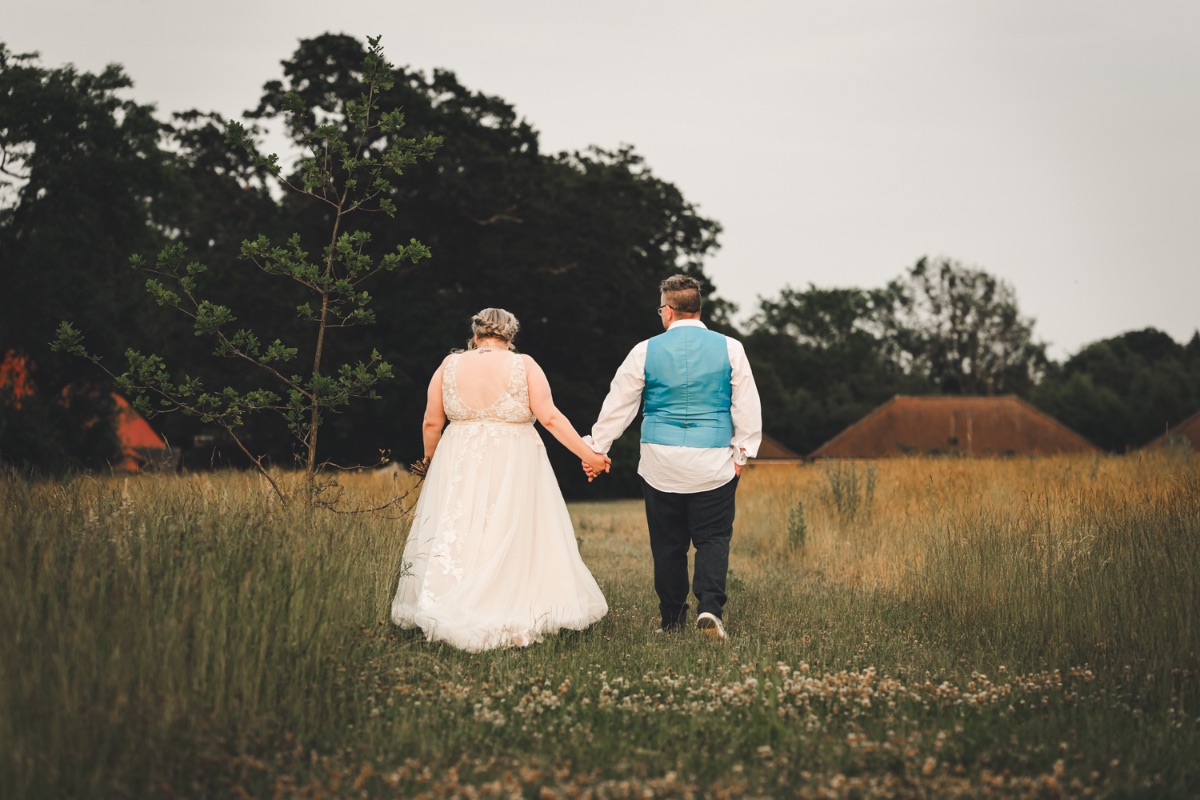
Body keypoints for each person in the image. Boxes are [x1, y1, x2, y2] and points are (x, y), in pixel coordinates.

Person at [391, 308, 612, 651]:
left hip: (458, 457)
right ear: (510, 335)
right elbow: (550, 418)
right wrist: (590, 455)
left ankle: (447, 602)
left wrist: (432, 464)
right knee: (510, 530)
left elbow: (431, 422)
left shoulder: (448, 366)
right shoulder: (523, 364)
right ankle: (512, 606)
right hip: (513, 458)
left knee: (459, 530)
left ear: (476, 333)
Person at [583, 275, 761, 639]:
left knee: (667, 543)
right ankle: (710, 609)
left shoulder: (644, 351)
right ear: (698, 308)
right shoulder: (731, 348)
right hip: (712, 460)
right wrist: (741, 454)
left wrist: (596, 449)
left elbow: (619, 405)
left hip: (660, 460)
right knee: (712, 538)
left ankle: (672, 620)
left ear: (667, 310)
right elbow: (746, 404)